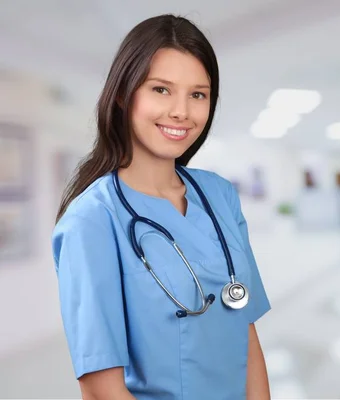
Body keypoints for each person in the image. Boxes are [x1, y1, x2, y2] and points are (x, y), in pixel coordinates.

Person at [52, 15, 271, 400]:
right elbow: (101, 387)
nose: (181, 112)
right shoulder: (93, 219)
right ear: (123, 94)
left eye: (198, 94)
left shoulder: (219, 195)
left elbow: (245, 333)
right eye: (161, 89)